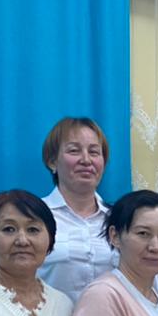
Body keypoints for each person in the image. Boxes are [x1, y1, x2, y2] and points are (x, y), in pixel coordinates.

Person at [37, 116, 114, 302]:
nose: (86, 160)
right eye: (74, 151)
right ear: (52, 162)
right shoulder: (33, 216)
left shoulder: (119, 219)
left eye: (94, 152)